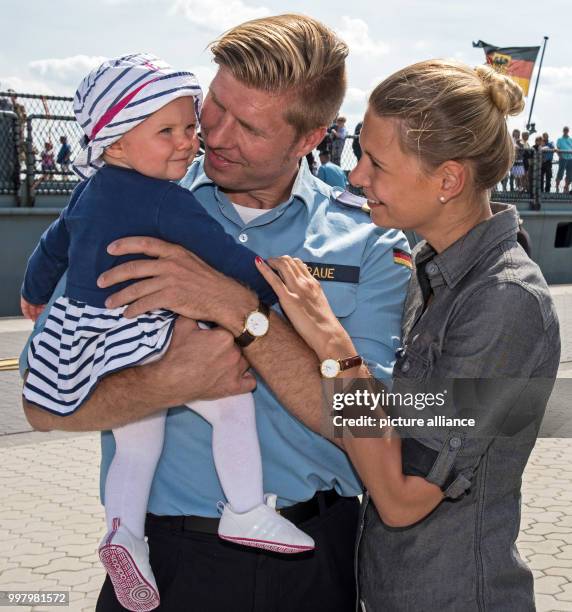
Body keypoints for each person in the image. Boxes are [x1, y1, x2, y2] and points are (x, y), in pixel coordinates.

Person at [21, 15, 411, 612]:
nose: (214, 136)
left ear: (309, 139)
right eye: (214, 106)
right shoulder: (130, 199)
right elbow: (42, 405)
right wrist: (161, 384)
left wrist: (239, 310)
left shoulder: (368, 240)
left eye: (248, 126)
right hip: (162, 561)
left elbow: (367, 420)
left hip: (308, 556)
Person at [252, 60, 560, 610]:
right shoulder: (433, 271)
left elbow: (400, 499)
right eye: (358, 155)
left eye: (377, 162)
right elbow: (399, 422)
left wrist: (333, 346)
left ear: (447, 180)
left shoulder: (504, 303)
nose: (356, 177)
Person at [20, 53, 313, 612]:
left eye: (188, 128)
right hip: (137, 332)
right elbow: (225, 256)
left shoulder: (91, 189)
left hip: (85, 337)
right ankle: (247, 509)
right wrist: (276, 295)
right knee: (230, 406)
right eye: (167, 132)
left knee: (138, 442)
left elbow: (53, 243)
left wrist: (34, 292)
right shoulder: (163, 199)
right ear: (116, 144)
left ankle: (124, 534)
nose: (189, 143)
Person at [556, 126, 572, 193]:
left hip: (570, 158)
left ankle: (566, 187)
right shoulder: (559, 139)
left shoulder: (570, 139)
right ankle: (557, 186)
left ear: (568, 131)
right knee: (560, 173)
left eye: (567, 130)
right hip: (563, 158)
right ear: (563, 131)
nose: (566, 131)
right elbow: (558, 148)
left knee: (570, 174)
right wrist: (560, 156)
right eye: (565, 130)